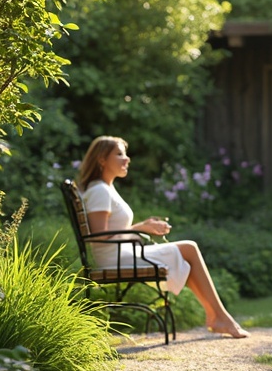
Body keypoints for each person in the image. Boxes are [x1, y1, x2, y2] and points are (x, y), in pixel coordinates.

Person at [76, 135, 249, 339]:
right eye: (120, 154)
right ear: (102, 160)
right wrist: (141, 227)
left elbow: (107, 232)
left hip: (122, 252)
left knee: (187, 250)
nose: (127, 159)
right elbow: (99, 236)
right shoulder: (100, 191)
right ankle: (219, 316)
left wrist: (142, 227)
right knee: (188, 248)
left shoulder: (105, 189)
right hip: (113, 258)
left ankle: (216, 316)